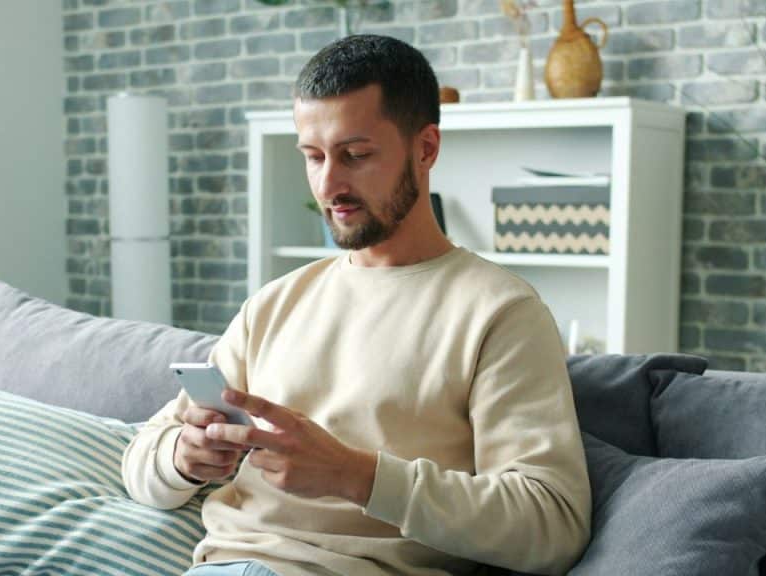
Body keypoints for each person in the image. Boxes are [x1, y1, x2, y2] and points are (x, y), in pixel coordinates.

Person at [123, 34, 591, 576]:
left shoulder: (500, 312)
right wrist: (182, 458)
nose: (329, 184)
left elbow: (552, 525)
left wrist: (355, 475)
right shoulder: (275, 303)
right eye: (313, 157)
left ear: (426, 149)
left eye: (356, 155)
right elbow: (140, 458)